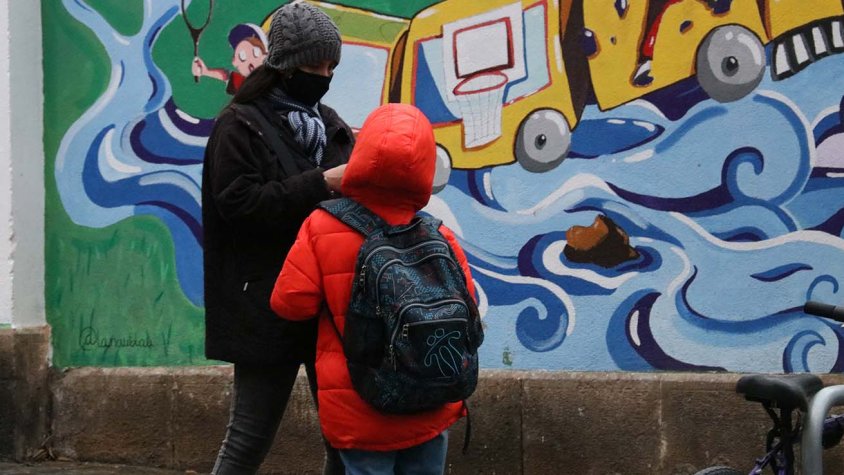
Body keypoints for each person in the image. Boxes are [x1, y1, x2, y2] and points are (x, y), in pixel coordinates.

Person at [269, 103, 475, 474]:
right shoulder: (438, 234)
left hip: (360, 403)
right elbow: (469, 310)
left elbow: (289, 304)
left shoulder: (320, 226)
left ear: (361, 157)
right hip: (431, 400)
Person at [201, 3, 352, 474]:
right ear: (284, 65)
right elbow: (240, 206)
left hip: (330, 305)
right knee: (248, 439)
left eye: (331, 66)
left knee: (343, 441)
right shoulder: (239, 125)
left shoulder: (329, 122)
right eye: (313, 65)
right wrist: (324, 182)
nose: (324, 75)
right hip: (265, 304)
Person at [192, 23, 268, 94]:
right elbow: (227, 76)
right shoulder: (247, 85)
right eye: (242, 56)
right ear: (235, 62)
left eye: (256, 52)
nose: (251, 64)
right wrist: (205, 71)